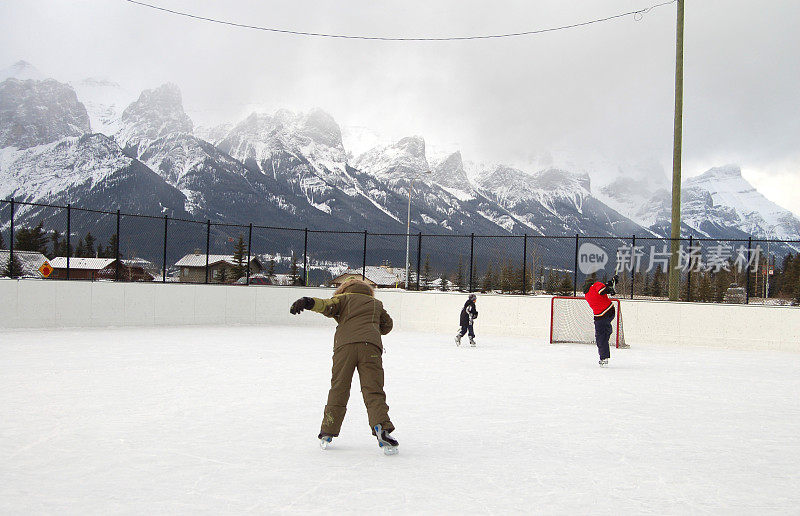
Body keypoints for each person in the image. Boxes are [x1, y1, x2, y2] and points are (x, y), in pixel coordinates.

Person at [289, 278, 398, 454]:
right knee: (373, 390)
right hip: (370, 348)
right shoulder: (376, 303)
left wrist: (308, 302)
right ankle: (382, 428)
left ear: (344, 289)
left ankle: (327, 431)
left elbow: (326, 305)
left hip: (345, 348)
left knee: (339, 387)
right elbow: (387, 326)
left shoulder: (343, 299)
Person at [583, 275, 619, 367]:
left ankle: (604, 358)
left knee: (601, 337)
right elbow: (603, 290)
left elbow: (603, 290)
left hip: (601, 315)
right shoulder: (595, 285)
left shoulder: (587, 294)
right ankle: (608, 330)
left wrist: (609, 287)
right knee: (603, 335)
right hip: (608, 312)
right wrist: (610, 286)